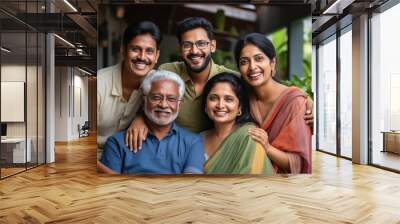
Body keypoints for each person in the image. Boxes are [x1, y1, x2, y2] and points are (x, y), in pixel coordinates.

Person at [126, 17, 314, 151]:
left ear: (212, 46)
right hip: (175, 150)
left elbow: (270, 90)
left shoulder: (231, 79)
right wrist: (140, 118)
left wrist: (305, 99)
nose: (195, 51)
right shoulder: (167, 71)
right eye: (187, 45)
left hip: (219, 149)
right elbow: (149, 98)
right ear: (180, 49)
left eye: (201, 44)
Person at [98, 70, 205, 174]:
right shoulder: (117, 142)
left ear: (179, 105)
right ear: (144, 101)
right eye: (156, 97)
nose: (163, 105)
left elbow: (191, 186)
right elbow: (109, 187)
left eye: (171, 99)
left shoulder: (193, 142)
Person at [234, 33, 312, 174]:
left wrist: (267, 147)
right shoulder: (242, 97)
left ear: (272, 63)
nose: (252, 67)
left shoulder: (295, 104)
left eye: (259, 59)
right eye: (244, 62)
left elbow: (299, 165)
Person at [97, 21, 161, 159]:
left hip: (127, 159)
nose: (142, 57)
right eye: (135, 49)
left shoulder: (156, 83)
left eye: (149, 51)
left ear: (156, 56)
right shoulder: (99, 83)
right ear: (123, 51)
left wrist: (141, 118)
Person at [201, 73, 274, 175]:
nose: (220, 105)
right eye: (214, 98)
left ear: (239, 108)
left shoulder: (249, 136)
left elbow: (252, 183)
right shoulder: (196, 139)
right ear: (205, 105)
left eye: (228, 99)